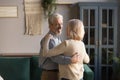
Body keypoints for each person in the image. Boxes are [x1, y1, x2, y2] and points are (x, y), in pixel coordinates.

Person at [39, 13, 80, 80]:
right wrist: (71, 60)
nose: (60, 27)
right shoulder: (49, 39)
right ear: (50, 26)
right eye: (57, 24)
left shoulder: (57, 38)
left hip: (56, 73)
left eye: (61, 24)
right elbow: (55, 58)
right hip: (50, 75)